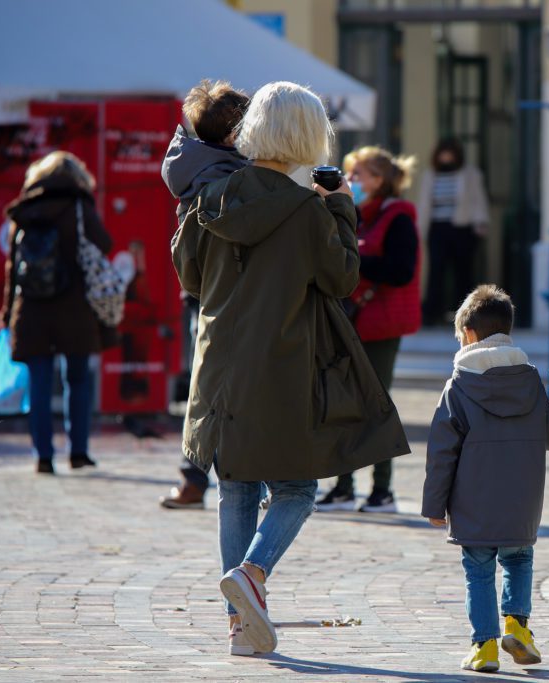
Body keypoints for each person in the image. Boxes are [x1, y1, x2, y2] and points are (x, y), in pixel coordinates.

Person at [172, 81, 408, 657]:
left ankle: (241, 627)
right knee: (297, 487)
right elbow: (343, 279)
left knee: (236, 487)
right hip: (282, 364)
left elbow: (191, 279)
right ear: (308, 136)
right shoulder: (307, 207)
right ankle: (252, 574)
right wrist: (342, 204)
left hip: (220, 361)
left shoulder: (212, 195)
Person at [422, 285, 549, 673]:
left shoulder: (459, 386)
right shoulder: (531, 381)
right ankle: (517, 625)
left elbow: (441, 452)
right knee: (519, 559)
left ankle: (484, 646)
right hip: (522, 499)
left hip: (474, 501)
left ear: (468, 334)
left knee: (479, 570)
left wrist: (434, 506)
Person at [159, 79, 249, 509]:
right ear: (233, 134)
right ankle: (201, 477)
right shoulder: (227, 175)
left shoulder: (194, 163)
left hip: (204, 292)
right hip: (228, 294)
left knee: (207, 384)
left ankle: (195, 478)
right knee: (216, 387)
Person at [315, 146, 421, 513]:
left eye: (358, 175)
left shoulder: (398, 216)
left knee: (376, 405)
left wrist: (355, 259)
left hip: (381, 324)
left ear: (380, 180)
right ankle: (344, 487)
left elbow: (401, 270)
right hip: (352, 320)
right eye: (350, 174)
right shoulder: (355, 213)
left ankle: (382, 490)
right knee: (344, 404)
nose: (351, 181)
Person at [0, 151, 113, 475]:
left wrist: (7, 314)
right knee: (77, 380)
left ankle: (43, 456)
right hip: (73, 309)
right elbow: (103, 243)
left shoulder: (23, 210)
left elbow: (12, 269)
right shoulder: (79, 207)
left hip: (31, 310)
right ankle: (78, 452)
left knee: (39, 383)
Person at [418, 138, 490, 325]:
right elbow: (424, 204)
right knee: (436, 271)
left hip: (462, 228)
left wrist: (480, 222)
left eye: (450, 153)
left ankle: (467, 313)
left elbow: (477, 199)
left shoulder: (469, 174)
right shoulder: (430, 175)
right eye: (443, 152)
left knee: (463, 272)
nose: (446, 156)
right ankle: (433, 313)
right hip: (437, 228)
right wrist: (420, 228)